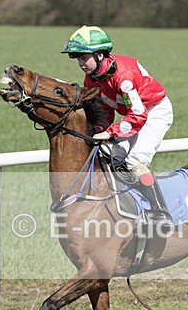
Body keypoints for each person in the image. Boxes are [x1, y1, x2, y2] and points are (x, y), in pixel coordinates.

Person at [61, 25, 173, 223]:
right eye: (77, 58)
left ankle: (160, 212)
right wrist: (98, 129)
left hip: (155, 112)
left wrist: (110, 133)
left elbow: (139, 115)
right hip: (135, 115)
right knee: (113, 159)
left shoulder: (123, 77)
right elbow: (104, 109)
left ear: (100, 55)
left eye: (83, 57)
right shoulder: (91, 79)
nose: (80, 63)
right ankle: (130, 206)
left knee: (135, 162)